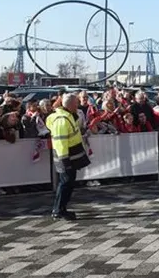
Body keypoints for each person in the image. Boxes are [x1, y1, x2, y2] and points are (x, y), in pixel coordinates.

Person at [47, 93, 91, 221]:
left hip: (70, 156)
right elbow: (61, 142)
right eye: (76, 103)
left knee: (68, 183)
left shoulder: (67, 116)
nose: (78, 105)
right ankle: (58, 210)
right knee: (65, 183)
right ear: (71, 104)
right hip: (66, 157)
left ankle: (61, 208)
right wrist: (65, 161)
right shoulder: (62, 119)